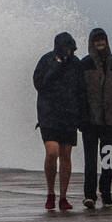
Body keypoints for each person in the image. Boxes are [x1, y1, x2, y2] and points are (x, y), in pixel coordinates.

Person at [33, 32, 86, 211]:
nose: (68, 52)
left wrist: (81, 116)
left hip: (69, 116)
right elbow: (39, 84)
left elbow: (81, 91)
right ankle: (50, 192)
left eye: (71, 49)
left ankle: (63, 196)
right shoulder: (46, 61)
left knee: (65, 156)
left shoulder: (76, 64)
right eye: (65, 49)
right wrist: (56, 67)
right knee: (52, 153)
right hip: (48, 115)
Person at [80, 27, 112, 208]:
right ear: (91, 43)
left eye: (102, 40)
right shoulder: (84, 64)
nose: (100, 43)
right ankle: (90, 196)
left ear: (107, 41)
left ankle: (106, 193)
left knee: (108, 160)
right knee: (90, 161)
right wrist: (81, 118)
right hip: (90, 122)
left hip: (110, 121)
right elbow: (78, 93)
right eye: (96, 40)